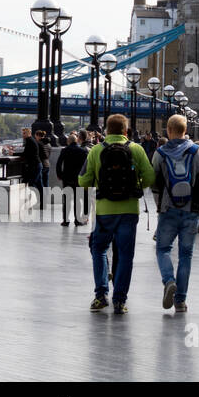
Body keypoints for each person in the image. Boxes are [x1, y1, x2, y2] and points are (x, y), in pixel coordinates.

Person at [77, 114, 154, 314]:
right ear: (126, 131)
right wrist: (135, 186)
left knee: (99, 250)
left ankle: (101, 295)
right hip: (129, 210)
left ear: (106, 131)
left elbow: (83, 181)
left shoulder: (95, 150)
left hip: (104, 211)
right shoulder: (136, 149)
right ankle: (120, 300)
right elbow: (150, 177)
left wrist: (99, 184)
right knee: (126, 255)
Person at [150, 115, 199, 313]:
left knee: (163, 249)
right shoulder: (198, 151)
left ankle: (169, 280)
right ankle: (180, 301)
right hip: (191, 210)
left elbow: (154, 183)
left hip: (168, 209)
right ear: (185, 130)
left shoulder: (160, 153)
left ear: (168, 130)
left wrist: (159, 204)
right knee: (186, 255)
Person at [56, 132, 89, 226]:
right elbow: (85, 166)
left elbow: (59, 164)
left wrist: (60, 175)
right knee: (77, 200)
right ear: (76, 140)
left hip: (66, 178)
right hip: (78, 178)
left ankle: (65, 220)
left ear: (68, 141)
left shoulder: (64, 150)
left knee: (66, 200)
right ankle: (77, 220)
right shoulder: (82, 151)